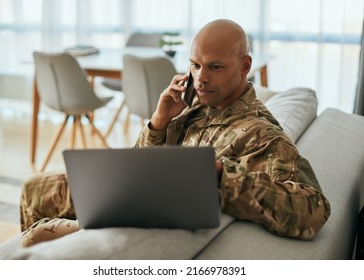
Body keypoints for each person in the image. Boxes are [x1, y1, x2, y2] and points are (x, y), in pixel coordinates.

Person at [20, 19, 330, 247]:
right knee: (34, 188)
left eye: (215, 67)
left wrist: (221, 174)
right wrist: (158, 124)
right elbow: (140, 163)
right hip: (134, 190)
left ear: (244, 65)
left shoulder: (262, 135)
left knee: (37, 210)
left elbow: (312, 211)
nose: (201, 78)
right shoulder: (195, 108)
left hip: (143, 210)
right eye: (195, 65)